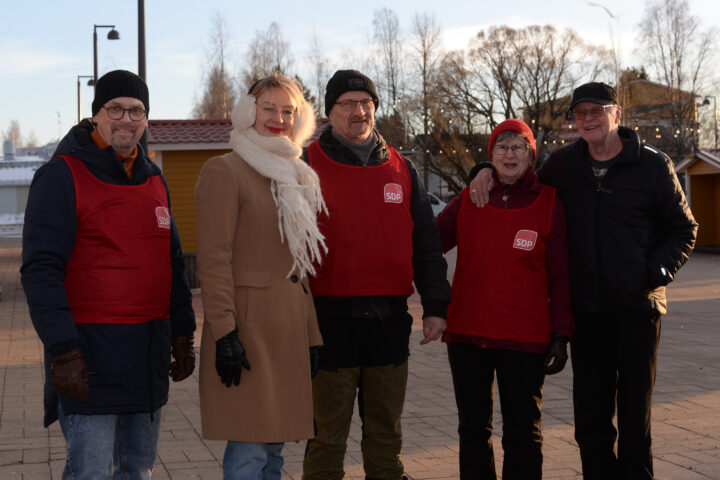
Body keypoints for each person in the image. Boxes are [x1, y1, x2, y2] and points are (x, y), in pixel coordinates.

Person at [469, 82, 697, 479]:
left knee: (634, 422)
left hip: (637, 313)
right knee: (590, 424)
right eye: (581, 113)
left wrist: (653, 274)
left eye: (597, 111)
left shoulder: (651, 165)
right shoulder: (563, 164)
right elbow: (523, 180)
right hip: (587, 316)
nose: (589, 119)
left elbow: (683, 228)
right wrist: (484, 170)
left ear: (617, 115)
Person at [21, 69, 196, 479]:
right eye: (114, 108)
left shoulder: (154, 179)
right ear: (96, 115)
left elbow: (171, 263)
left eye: (136, 111)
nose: (126, 119)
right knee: (91, 472)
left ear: (146, 120)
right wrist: (63, 350)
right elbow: (40, 270)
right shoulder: (61, 176)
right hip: (89, 357)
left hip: (147, 355)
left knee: (137, 469)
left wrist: (183, 334)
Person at [302, 70, 452, 480]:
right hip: (328, 323)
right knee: (327, 436)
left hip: (389, 320)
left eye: (365, 102)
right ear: (329, 112)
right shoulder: (306, 164)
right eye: (347, 103)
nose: (358, 110)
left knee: (386, 434)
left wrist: (436, 305)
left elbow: (426, 243)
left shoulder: (401, 168)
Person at [195, 73, 325, 480]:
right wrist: (225, 333)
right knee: (250, 448)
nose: (278, 118)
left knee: (274, 452)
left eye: (288, 111)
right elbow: (214, 260)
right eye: (268, 108)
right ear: (248, 112)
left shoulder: (294, 172)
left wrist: (312, 333)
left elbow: (297, 267)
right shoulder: (224, 170)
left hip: (287, 332)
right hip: (248, 331)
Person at [437, 119, 574, 480]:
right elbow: (428, 245)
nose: (509, 154)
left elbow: (561, 275)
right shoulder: (470, 198)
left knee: (523, 434)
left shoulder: (549, 203)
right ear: (490, 155)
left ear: (531, 154)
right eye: (501, 147)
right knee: (472, 431)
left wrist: (561, 333)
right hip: (467, 334)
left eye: (518, 147)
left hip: (525, 338)